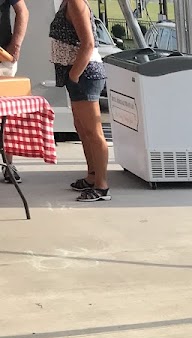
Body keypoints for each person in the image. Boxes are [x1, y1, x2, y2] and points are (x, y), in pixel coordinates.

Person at [49, 0, 109, 201]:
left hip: (85, 74)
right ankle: (92, 176)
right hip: (75, 74)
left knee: (93, 132)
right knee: (82, 129)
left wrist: (74, 75)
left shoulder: (76, 3)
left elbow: (88, 43)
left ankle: (101, 185)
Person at [0, 0, 29, 184]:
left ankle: (9, 164)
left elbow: (22, 11)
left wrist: (16, 45)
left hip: (2, 57)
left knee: (6, 115)